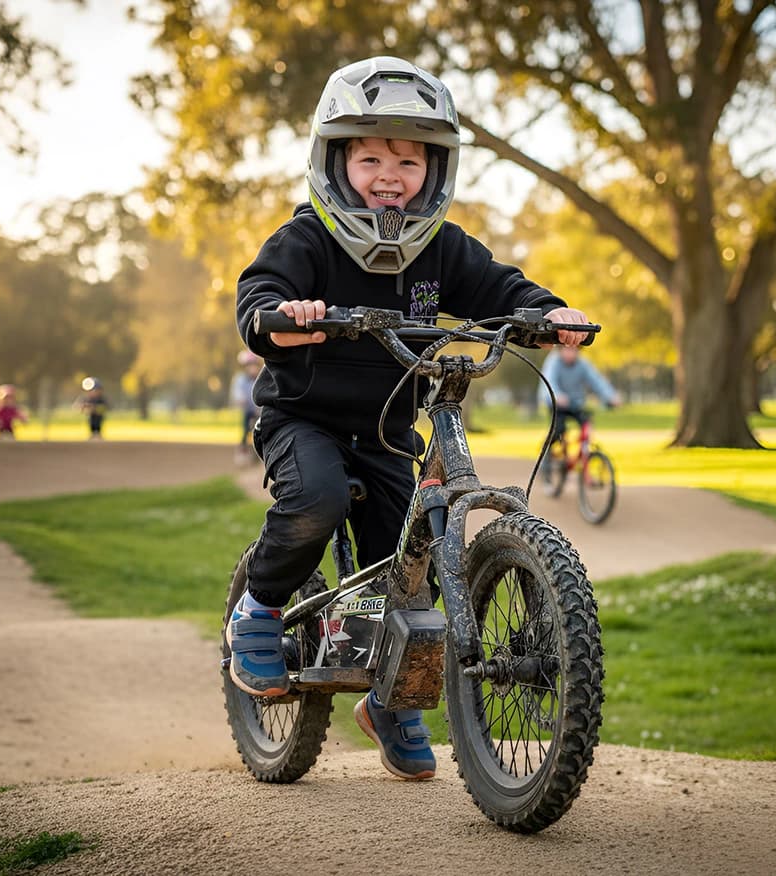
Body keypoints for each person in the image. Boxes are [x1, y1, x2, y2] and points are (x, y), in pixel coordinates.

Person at [231, 56, 593, 781]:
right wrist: (282, 317)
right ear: (335, 161)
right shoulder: (307, 240)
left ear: (437, 169)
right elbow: (258, 295)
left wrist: (547, 312)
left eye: (408, 159)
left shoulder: (442, 250)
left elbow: (499, 287)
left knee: (410, 568)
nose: (389, 174)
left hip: (391, 429)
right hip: (304, 420)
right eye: (369, 157)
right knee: (317, 499)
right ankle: (261, 609)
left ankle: (392, 704)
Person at [537, 344, 621, 443]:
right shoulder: (553, 362)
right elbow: (549, 381)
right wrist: (557, 396)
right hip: (557, 404)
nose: (570, 353)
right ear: (560, 350)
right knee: (558, 429)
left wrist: (610, 396)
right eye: (567, 350)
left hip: (575, 403)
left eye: (574, 350)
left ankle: (584, 452)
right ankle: (547, 453)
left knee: (586, 424)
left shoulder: (583, 364)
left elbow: (597, 381)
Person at [229, 350, 262, 461]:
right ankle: (242, 450)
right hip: (248, 409)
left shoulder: (261, 377)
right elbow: (238, 394)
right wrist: (240, 400)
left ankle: (261, 452)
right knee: (245, 428)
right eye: (249, 366)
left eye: (254, 366)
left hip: (260, 411)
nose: (252, 369)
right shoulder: (240, 379)